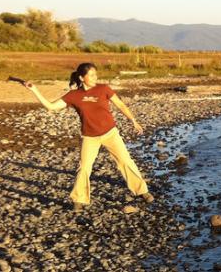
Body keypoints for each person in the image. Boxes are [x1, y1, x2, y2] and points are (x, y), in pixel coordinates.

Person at [23, 63, 153, 211]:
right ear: (81, 77)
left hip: (110, 133)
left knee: (125, 161)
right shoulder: (74, 95)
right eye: (91, 75)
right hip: (89, 137)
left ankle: (142, 191)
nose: (95, 77)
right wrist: (35, 90)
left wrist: (133, 120)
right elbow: (51, 106)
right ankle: (79, 200)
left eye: (95, 74)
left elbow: (120, 105)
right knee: (84, 167)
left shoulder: (103, 89)